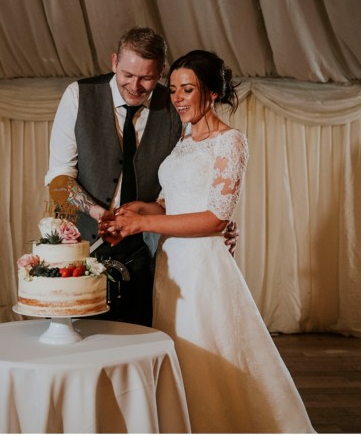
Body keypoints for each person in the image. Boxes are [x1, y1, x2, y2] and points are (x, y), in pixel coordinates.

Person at [99, 50, 315, 433]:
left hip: (203, 268)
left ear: (212, 93)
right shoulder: (183, 140)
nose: (178, 98)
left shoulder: (230, 142)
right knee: (179, 352)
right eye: (175, 90)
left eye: (188, 89)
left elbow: (217, 217)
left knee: (205, 356)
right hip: (172, 265)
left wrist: (142, 226)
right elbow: (171, 203)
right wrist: (137, 211)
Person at [45, 27, 238, 327]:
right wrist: (98, 212)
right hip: (80, 246)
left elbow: (195, 173)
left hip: (144, 250)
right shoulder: (78, 95)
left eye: (146, 78)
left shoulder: (176, 106)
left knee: (137, 340)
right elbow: (58, 178)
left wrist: (219, 223)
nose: (135, 86)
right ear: (113, 62)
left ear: (161, 71)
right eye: (127, 74)